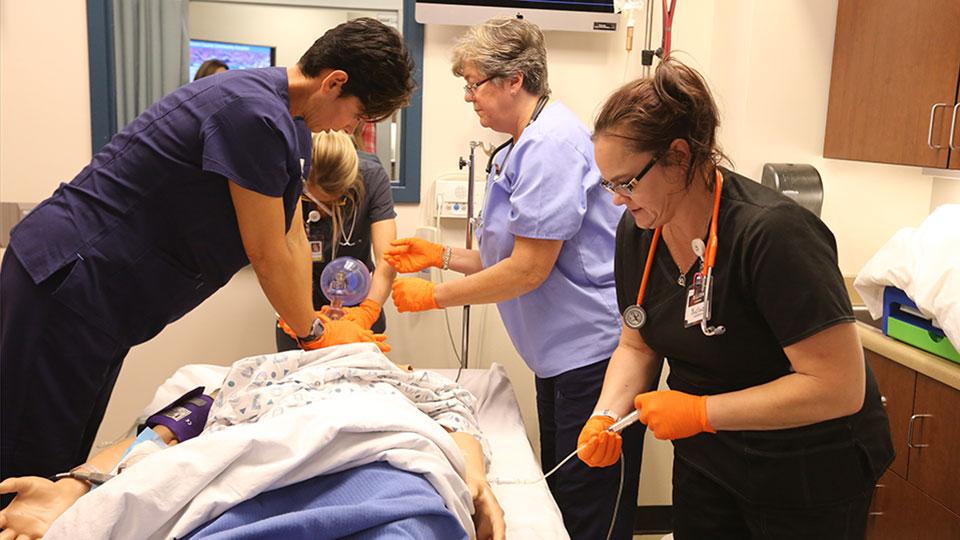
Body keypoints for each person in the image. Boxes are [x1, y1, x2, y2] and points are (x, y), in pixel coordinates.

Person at [0, 17, 415, 497]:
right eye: (359, 115)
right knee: (26, 462)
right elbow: (266, 252)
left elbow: (292, 239)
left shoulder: (293, 128)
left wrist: (315, 325)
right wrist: (313, 334)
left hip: (101, 300)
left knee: (62, 460)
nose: (352, 129)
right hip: (70, 280)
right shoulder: (252, 114)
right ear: (334, 82)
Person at [577, 58, 894, 539]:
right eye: (608, 184)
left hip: (805, 467)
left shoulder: (772, 235)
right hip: (709, 458)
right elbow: (636, 345)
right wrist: (606, 413)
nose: (617, 198)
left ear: (679, 157)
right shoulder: (640, 229)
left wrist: (701, 411)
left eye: (626, 182)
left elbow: (837, 387)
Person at [384, 18, 644, 540]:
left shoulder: (551, 144)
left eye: (474, 84)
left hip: (593, 357)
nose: (468, 97)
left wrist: (434, 296)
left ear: (514, 79)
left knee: (589, 506)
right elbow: (509, 254)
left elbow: (529, 270)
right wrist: (441, 255)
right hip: (560, 357)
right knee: (566, 498)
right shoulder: (526, 142)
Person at [0, 347, 505, 539]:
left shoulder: (409, 382)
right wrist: (76, 487)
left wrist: (474, 480)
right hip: (251, 480)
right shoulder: (257, 374)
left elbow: (459, 424)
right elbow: (156, 434)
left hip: (381, 464)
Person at [274, 129, 397, 352]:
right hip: (298, 301)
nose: (326, 212)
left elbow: (387, 260)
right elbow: (275, 257)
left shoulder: (371, 177)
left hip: (359, 300)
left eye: (334, 202)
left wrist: (367, 312)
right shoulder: (288, 177)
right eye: (319, 201)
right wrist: (298, 319)